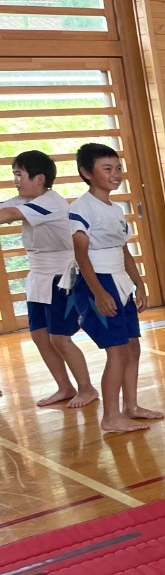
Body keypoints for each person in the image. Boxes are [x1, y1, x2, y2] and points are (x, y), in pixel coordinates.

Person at [68, 143, 164, 433]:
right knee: (117, 351)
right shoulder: (81, 209)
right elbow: (81, 255)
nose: (115, 174)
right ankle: (110, 416)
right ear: (86, 172)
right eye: (107, 169)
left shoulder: (116, 209)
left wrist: (140, 284)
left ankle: (131, 406)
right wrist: (98, 292)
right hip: (97, 281)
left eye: (118, 168)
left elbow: (124, 251)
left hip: (119, 281)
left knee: (132, 347)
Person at [0, 150, 96, 407]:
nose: (16, 181)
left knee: (60, 338)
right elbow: (5, 207)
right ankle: (64, 387)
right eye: (14, 175)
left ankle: (87, 388)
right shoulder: (26, 199)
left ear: (39, 178)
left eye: (19, 175)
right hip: (39, 276)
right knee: (40, 335)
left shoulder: (51, 203)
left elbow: (6, 215)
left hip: (62, 277)